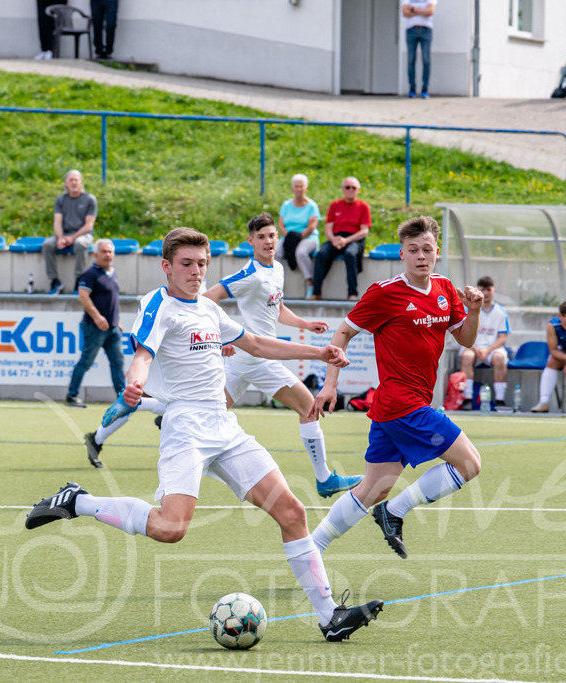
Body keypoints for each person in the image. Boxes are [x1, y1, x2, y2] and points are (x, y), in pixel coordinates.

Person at [27, 227, 384, 642]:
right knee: (170, 528)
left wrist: (317, 351)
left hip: (224, 427)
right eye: (186, 264)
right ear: (166, 267)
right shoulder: (158, 306)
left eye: (201, 264)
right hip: (186, 429)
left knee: (292, 513)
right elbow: (142, 355)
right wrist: (134, 382)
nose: (196, 272)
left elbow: (255, 343)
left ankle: (330, 617)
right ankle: (78, 501)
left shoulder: (208, 309)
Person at [84, 216, 364, 501]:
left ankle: (117, 420)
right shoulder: (248, 274)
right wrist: (217, 337)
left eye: (272, 236)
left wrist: (305, 329)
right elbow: (209, 296)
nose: (268, 241)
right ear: (250, 241)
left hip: (258, 356)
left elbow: (273, 314)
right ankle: (324, 478)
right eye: (262, 236)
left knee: (203, 403)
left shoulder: (277, 269)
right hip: (248, 358)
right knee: (200, 404)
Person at [307, 216, 484, 562]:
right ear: (402, 254)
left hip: (398, 407)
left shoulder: (446, 289)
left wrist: (474, 311)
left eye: (427, 250)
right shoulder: (385, 294)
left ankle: (311, 548)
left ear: (437, 253)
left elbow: (466, 339)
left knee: (373, 488)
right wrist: (330, 384)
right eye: (413, 250)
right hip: (404, 405)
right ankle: (394, 512)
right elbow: (342, 333)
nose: (421, 256)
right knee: (470, 464)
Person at [65, 239, 124, 408]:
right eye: (104, 252)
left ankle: (123, 398)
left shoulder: (112, 273)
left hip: (112, 328)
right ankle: (72, 395)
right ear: (96, 254)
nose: (108, 255)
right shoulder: (90, 274)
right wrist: (97, 317)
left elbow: (112, 301)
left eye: (110, 252)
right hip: (94, 327)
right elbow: (83, 297)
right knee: (86, 361)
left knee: (117, 362)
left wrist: (116, 320)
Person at [309, 177, 370, 302]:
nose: (350, 190)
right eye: (347, 187)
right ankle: (316, 292)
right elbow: (328, 228)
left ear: (358, 190)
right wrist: (333, 240)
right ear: (343, 189)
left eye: (353, 187)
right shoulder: (335, 205)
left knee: (350, 254)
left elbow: (364, 231)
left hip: (354, 239)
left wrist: (347, 241)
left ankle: (352, 293)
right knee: (322, 254)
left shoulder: (363, 206)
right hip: (336, 238)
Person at [458, 276, 510, 411]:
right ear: (477, 291)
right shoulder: (468, 309)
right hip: (472, 346)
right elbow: (462, 332)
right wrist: (476, 349)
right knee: (467, 356)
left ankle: (500, 400)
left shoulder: (501, 312)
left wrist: (487, 350)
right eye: (482, 290)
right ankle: (467, 399)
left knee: (499, 358)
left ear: (494, 291)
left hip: (491, 350)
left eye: (488, 289)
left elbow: (503, 337)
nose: (485, 293)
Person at [44, 170, 96, 295]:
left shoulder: (89, 199)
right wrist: (60, 237)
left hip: (84, 235)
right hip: (65, 234)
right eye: (71, 180)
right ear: (66, 183)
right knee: (47, 245)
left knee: (79, 244)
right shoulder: (61, 199)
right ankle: (54, 280)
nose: (74, 182)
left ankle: (79, 280)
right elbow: (57, 221)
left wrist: (72, 238)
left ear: (81, 183)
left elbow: (89, 225)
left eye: (76, 180)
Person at [274, 174, 321, 298]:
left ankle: (310, 282)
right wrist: (290, 239)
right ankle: (276, 284)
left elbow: (312, 226)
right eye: (297, 186)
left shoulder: (312, 206)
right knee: (275, 252)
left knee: (300, 252)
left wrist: (298, 238)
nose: (299, 189)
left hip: (308, 238)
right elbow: (281, 225)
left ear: (306, 188)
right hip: (288, 237)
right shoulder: (286, 205)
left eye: (302, 186)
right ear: (292, 188)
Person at [403, 0, 436, 99]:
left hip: (426, 30)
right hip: (411, 30)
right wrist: (423, 11)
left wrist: (413, 9)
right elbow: (405, 12)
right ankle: (412, 89)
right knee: (411, 60)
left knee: (426, 60)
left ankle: (424, 90)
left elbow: (430, 12)